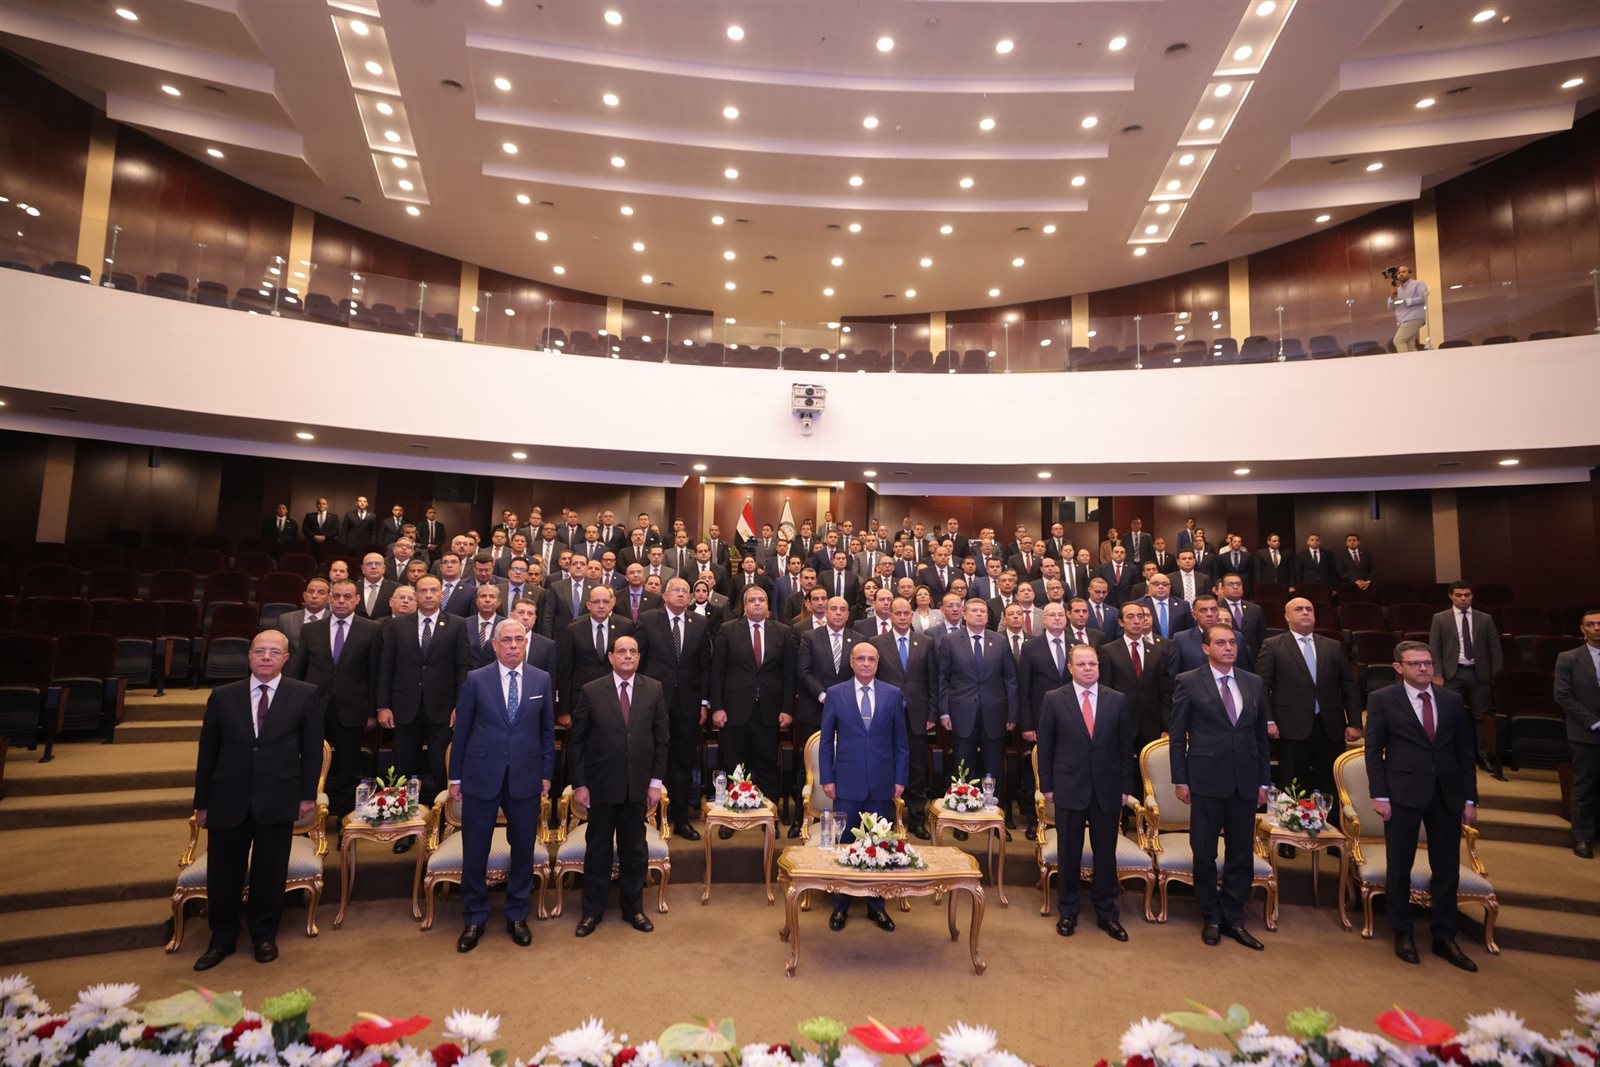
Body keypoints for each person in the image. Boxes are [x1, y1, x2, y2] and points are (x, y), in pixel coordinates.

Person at [190, 630, 322, 971]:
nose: (266, 656)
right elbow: (207, 751)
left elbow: (311, 750)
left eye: (274, 652)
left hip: (278, 796)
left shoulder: (304, 694)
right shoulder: (223, 696)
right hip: (227, 797)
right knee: (223, 873)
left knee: (269, 871)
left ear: (285, 658)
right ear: (249, 656)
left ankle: (264, 935)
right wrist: (202, 802)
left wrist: (307, 795)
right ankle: (222, 938)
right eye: (260, 650)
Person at [1365, 641, 1479, 970]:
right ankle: (1402, 931)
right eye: (1415, 663)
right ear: (1398, 667)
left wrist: (1470, 798)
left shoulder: (1451, 700)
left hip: (1447, 794)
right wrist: (1380, 795)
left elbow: (1465, 752)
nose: (1424, 668)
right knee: (1399, 866)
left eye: (1427, 663)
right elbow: (1373, 750)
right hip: (1402, 794)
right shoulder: (1383, 699)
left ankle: (1445, 935)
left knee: (1446, 867)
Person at [449, 618, 554, 952]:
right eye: (506, 640)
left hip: (526, 776)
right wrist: (455, 776)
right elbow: (462, 731)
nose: (512, 645)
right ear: (494, 645)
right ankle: (474, 916)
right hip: (481, 774)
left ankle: (517, 914)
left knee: (523, 848)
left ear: (526, 643)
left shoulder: (541, 678)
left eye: (518, 639)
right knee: (475, 849)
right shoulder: (476, 679)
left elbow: (547, 731)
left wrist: (547, 773)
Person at [1169, 624, 1270, 951]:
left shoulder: (1253, 682)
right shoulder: (1188, 681)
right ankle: (1211, 916)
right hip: (1205, 779)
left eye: (1232, 642)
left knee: (1241, 853)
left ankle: (1233, 917)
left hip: (1245, 781)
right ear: (1206, 648)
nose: (1229, 647)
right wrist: (1180, 779)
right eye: (1221, 643)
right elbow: (1177, 736)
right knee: (1204, 852)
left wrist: (1264, 781)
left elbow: (1261, 738)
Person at [569, 636, 669, 937]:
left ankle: (633, 909)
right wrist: (580, 784)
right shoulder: (591, 690)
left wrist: (655, 783)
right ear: (611, 657)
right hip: (600, 786)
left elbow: (662, 739)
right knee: (597, 850)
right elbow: (577, 742)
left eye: (633, 651)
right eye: (622, 651)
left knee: (634, 850)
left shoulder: (653, 689)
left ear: (639, 657)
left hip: (637, 786)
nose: (628, 656)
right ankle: (592, 912)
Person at [1038, 642, 1134, 940]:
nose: (1088, 669)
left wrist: (1125, 788)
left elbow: (1125, 748)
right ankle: (1068, 912)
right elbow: (1046, 746)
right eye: (1082, 664)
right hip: (1069, 787)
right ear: (1070, 668)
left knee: (1106, 853)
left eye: (1092, 664)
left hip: (1107, 789)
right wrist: (1047, 786)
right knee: (1069, 853)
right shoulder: (1055, 699)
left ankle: (1107, 913)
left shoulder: (1116, 700)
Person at [819, 642, 908, 932]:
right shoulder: (836, 693)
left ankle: (876, 907)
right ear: (852, 662)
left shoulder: (892, 694)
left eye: (871, 659)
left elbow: (901, 743)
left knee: (878, 844)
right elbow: (826, 741)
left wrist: (899, 779)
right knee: (845, 845)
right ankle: (840, 906)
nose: (866, 663)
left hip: (882, 782)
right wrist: (828, 778)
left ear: (878, 663)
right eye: (861, 658)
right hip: (846, 782)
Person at [376, 576, 470, 852]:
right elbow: (386, 666)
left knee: (441, 767)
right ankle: (404, 829)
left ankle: (442, 826)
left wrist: (460, 705)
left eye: (433, 590)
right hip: (404, 706)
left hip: (442, 708)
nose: (428, 595)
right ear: (416, 595)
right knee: (404, 768)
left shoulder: (457, 624)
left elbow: (462, 667)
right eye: (423, 590)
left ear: (441, 594)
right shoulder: (398, 625)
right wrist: (383, 705)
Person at [286, 579, 381, 822]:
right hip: (315, 708)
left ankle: (344, 822)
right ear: (329, 599)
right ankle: (308, 819)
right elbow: (298, 670)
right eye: (336, 596)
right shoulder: (311, 629)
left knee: (349, 768)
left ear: (356, 600)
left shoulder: (371, 629)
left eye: (347, 597)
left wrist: (372, 711)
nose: (341, 601)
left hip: (352, 709)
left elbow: (375, 673)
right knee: (310, 762)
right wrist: (291, 707)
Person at [1258, 598, 1361, 797]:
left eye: (1309, 609)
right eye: (1299, 609)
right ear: (1287, 616)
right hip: (1291, 727)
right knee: (1293, 785)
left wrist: (1355, 722)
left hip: (1330, 727)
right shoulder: (1273, 645)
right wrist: (1269, 720)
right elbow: (1262, 686)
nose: (1305, 612)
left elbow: (1348, 685)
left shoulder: (1332, 645)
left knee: (1331, 785)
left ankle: (1332, 818)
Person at [636, 578, 713, 839]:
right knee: (652, 760)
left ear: (690, 598)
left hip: (688, 705)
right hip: (654, 703)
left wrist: (703, 703)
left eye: (685, 591)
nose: (681, 594)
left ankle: (680, 820)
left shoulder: (699, 623)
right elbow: (638, 662)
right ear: (664, 595)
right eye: (676, 590)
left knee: (683, 763)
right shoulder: (648, 620)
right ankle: (649, 818)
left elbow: (705, 666)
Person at [710, 585, 795, 811]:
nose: (757, 603)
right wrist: (717, 707)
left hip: (769, 711)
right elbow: (717, 672)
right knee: (734, 765)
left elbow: (789, 674)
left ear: (768, 605)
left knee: (767, 765)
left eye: (761, 600)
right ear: (744, 606)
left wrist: (787, 709)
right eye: (752, 600)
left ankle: (769, 816)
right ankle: (731, 817)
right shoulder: (728, 630)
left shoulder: (783, 632)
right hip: (735, 710)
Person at [937, 598, 1017, 820]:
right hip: (962, 714)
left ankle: (996, 817)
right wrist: (944, 711)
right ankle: (960, 816)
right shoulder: (950, 641)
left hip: (995, 714)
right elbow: (943, 678)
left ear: (988, 616)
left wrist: (1012, 714)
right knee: (963, 766)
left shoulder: (1000, 641)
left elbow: (1010, 680)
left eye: (983, 611)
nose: (979, 614)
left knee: (994, 767)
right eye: (974, 610)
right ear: (964, 614)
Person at [870, 597, 938, 839]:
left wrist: (932, 713)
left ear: (912, 615)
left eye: (906, 613)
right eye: (897, 613)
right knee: (886, 766)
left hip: (918, 716)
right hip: (886, 716)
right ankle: (886, 819)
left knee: (917, 768)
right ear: (890, 615)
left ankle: (917, 819)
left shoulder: (926, 643)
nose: (901, 617)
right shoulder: (877, 642)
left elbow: (932, 680)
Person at [796, 596, 864, 836]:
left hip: (849, 712)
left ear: (848, 614)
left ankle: (849, 817)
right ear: (825, 612)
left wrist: (841, 699)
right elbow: (803, 672)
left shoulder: (858, 639)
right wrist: (825, 696)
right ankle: (801, 818)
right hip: (815, 708)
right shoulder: (810, 637)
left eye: (842, 609)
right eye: (833, 609)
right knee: (808, 764)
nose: (838, 613)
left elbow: (861, 675)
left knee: (848, 761)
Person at [1428, 582, 1506, 780]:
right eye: (1459, 595)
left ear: (1472, 596)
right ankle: (1450, 753)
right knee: (1450, 715)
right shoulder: (1440, 618)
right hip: (1452, 673)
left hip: (1480, 674)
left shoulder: (1485, 618)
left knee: (1482, 717)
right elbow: (1435, 647)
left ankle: (1484, 756)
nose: (1463, 598)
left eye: (1467, 595)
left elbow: (1495, 648)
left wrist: (1496, 675)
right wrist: (1437, 673)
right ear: (1450, 596)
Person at [1553, 609, 1600, 859]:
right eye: (1591, 624)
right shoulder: (1568, 658)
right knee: (1584, 785)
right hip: (1585, 732)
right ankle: (1583, 837)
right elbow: (1562, 695)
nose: (1597, 628)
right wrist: (1595, 722)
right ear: (1582, 629)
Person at [277, 577, 329, 654]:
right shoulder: (285, 620)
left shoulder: (335, 620)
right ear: (304, 596)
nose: (314, 596)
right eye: (311, 591)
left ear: (329, 598)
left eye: (321, 592)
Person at [1387, 265, 1429, 352]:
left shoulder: (1418, 283)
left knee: (1398, 340)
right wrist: (1393, 295)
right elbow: (1390, 306)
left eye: (1404, 272)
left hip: (1414, 316)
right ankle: (1415, 360)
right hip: (1402, 320)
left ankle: (1405, 360)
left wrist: (1406, 301)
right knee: (1410, 344)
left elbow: (1423, 297)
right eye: (1399, 273)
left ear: (1409, 273)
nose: (1401, 274)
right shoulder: (1397, 290)